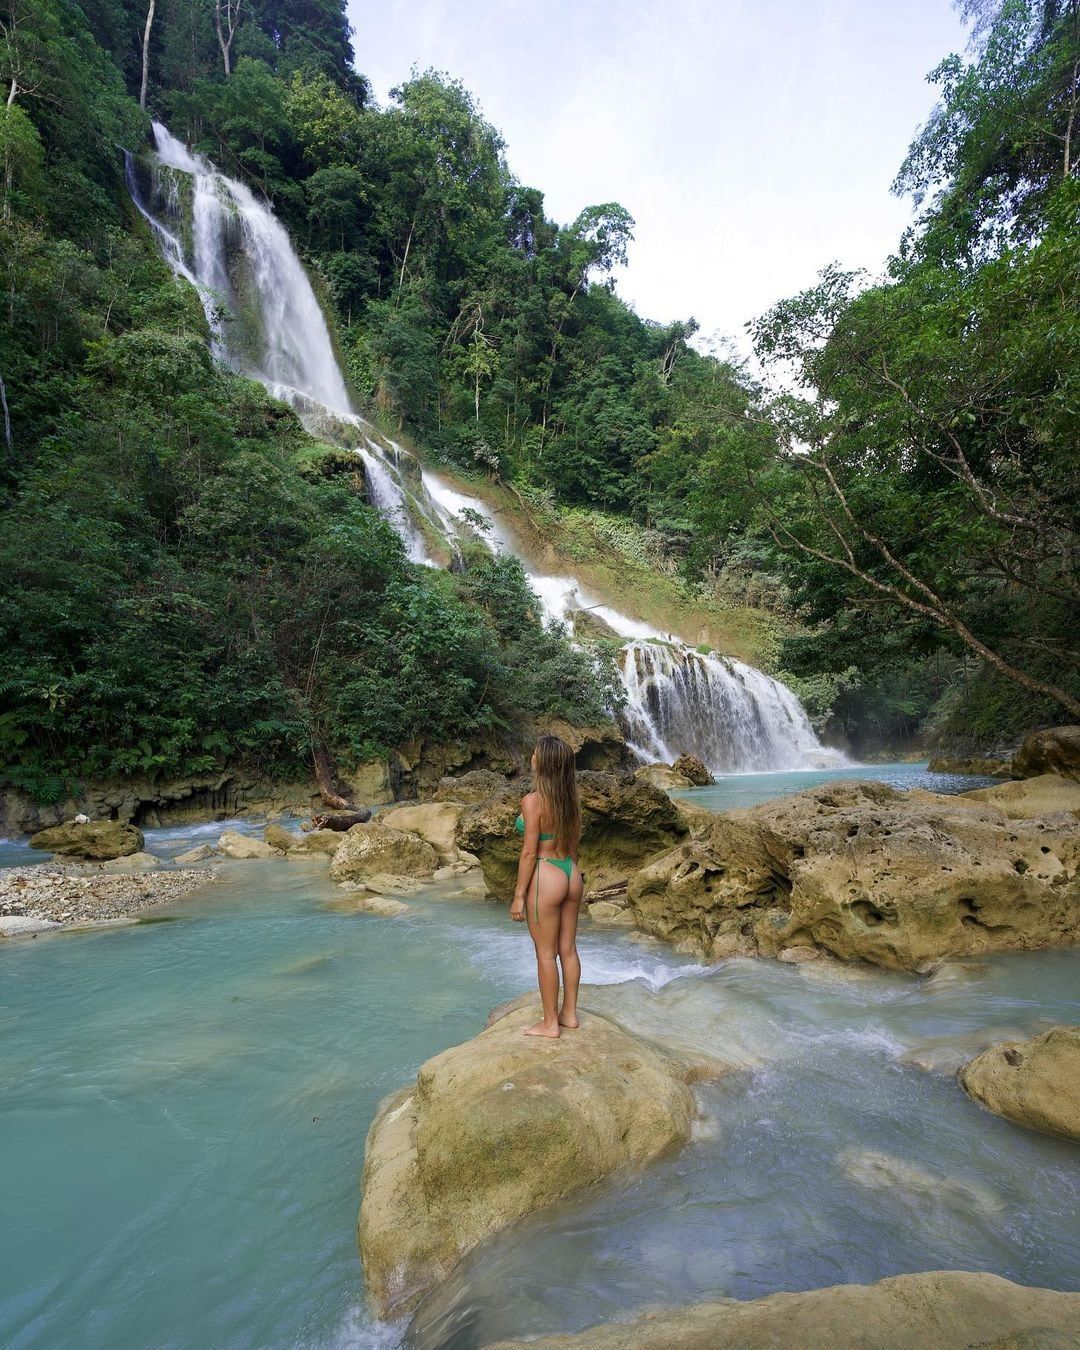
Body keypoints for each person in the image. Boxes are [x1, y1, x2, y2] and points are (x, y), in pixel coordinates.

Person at [510, 734, 585, 1037]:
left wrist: (518, 896)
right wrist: (574, 877)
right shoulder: (571, 799)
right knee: (568, 949)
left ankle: (549, 1023)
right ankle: (569, 1014)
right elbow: (573, 843)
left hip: (545, 875)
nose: (532, 756)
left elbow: (529, 852)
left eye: (535, 752)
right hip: (570, 872)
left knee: (545, 953)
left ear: (543, 763)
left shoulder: (532, 801)